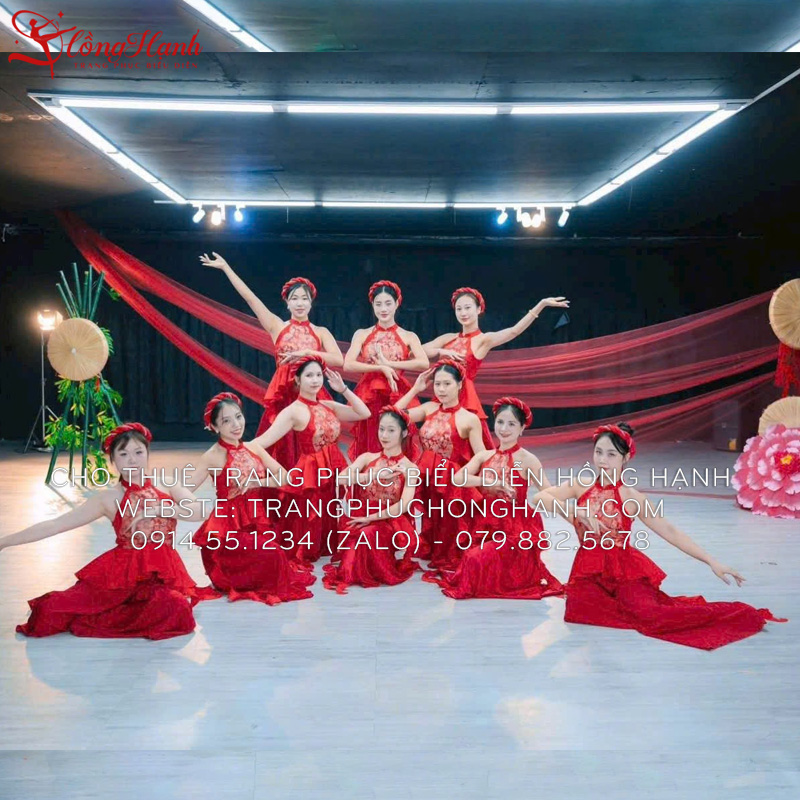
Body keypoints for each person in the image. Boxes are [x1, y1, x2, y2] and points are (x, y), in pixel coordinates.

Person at [532, 423, 787, 649]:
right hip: (588, 570)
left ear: (626, 458)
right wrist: (574, 510)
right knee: (577, 612)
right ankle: (623, 606)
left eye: (611, 454)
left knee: (650, 616)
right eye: (598, 452)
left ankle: (741, 614)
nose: (602, 460)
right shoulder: (580, 485)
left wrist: (711, 561)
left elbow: (670, 531)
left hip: (623, 571)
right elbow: (539, 498)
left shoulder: (632, 497)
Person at [4, 423, 218, 640]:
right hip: (121, 574)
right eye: (123, 454)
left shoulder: (167, 484)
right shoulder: (109, 498)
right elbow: (56, 524)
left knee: (176, 608)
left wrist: (156, 509)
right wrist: (5, 541)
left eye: (138, 452)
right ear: (113, 460)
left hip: (161, 572)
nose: (132, 460)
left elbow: (202, 511)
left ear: (147, 453)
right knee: (49, 611)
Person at [199, 252, 343, 462]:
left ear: (311, 303)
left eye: (305, 299)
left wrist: (307, 353)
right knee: (283, 448)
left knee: (316, 444)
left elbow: (339, 360)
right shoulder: (277, 327)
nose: (300, 303)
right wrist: (226, 268)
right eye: (294, 299)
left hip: (313, 394)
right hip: (284, 395)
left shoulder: (320, 332)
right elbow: (250, 298)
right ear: (287, 303)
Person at [423, 397, 564, 600]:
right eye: (500, 422)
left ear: (522, 428)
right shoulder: (484, 456)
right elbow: (458, 478)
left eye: (511, 424)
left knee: (473, 560)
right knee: (470, 560)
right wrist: (488, 482)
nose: (504, 429)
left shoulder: (527, 459)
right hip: (485, 526)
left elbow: (548, 492)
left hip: (513, 531)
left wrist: (576, 507)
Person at [187, 392, 315, 604]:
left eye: (238, 417)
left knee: (276, 556)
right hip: (227, 531)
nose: (236, 425)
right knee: (274, 555)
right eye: (226, 421)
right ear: (215, 427)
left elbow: (286, 477)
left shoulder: (253, 447)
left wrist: (258, 482)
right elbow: (186, 488)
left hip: (255, 521)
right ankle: (231, 576)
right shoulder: (212, 456)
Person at [254, 357, 370, 562]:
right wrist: (234, 450)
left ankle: (322, 544)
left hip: (331, 467)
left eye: (318, 375)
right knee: (308, 516)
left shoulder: (327, 405)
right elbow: (263, 441)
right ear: (298, 380)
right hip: (310, 472)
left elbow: (364, 413)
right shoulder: (293, 411)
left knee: (328, 510)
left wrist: (343, 389)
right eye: (309, 375)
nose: (315, 380)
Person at [422, 288, 569, 446]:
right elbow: (417, 351)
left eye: (467, 308)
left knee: (466, 445)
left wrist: (541, 305)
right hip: (442, 394)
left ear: (479, 309)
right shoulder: (447, 338)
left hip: (464, 397)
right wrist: (441, 351)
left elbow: (514, 331)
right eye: (459, 309)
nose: (463, 313)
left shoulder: (484, 340)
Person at [395, 359, 485, 568]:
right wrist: (416, 388)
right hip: (427, 474)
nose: (441, 389)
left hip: (451, 482)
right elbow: (394, 415)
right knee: (430, 517)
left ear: (459, 385)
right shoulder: (429, 408)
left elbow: (481, 456)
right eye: (437, 384)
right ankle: (433, 548)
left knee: (449, 524)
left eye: (447, 384)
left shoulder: (469, 419)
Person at [323, 406, 420, 593]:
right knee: (361, 536)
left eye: (391, 430)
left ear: (404, 433)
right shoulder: (367, 458)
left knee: (366, 535)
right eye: (381, 429)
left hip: (386, 522)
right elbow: (341, 479)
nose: (384, 435)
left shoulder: (410, 468)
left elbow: (403, 506)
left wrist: (371, 518)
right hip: (360, 516)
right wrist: (374, 475)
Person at [344, 280, 428, 458]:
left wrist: (392, 365)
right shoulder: (362, 334)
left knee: (398, 441)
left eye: (388, 303)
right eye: (378, 304)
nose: (383, 309)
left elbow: (423, 363)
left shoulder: (408, 336)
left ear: (397, 304)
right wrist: (380, 367)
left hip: (396, 393)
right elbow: (348, 364)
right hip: (369, 395)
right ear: (372, 305)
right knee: (371, 441)